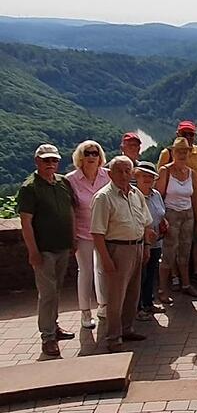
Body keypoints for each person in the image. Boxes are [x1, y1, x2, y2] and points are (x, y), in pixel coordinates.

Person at [18, 144, 76, 357]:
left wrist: (73, 238)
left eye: (54, 160)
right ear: (37, 161)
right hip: (44, 250)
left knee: (56, 290)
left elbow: (70, 211)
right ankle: (48, 338)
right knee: (47, 294)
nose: (50, 164)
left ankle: (54, 326)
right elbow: (26, 222)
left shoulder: (62, 183)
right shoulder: (29, 188)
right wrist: (32, 251)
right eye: (46, 160)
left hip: (62, 246)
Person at [91, 156, 154, 353]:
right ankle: (113, 337)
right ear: (110, 173)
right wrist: (106, 259)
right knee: (116, 296)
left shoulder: (136, 194)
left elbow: (145, 223)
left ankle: (127, 329)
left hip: (136, 246)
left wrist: (146, 247)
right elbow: (97, 232)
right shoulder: (104, 197)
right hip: (117, 249)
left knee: (133, 293)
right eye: (120, 171)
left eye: (128, 171)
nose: (125, 175)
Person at [157, 121, 197, 287]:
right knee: (170, 246)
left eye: (191, 134)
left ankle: (192, 277)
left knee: (193, 243)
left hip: (194, 206)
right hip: (171, 209)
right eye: (184, 134)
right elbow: (158, 189)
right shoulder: (166, 160)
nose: (188, 137)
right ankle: (171, 280)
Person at [65, 140, 110, 329]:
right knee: (85, 271)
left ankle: (103, 306)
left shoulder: (107, 176)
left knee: (103, 269)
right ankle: (85, 312)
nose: (91, 157)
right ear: (80, 157)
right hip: (82, 232)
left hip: (104, 232)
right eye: (88, 153)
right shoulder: (70, 180)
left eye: (95, 153)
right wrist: (71, 236)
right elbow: (69, 210)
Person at [156, 137, 197, 303]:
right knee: (168, 253)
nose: (182, 154)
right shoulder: (165, 171)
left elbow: (195, 198)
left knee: (185, 251)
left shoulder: (191, 173)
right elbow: (157, 196)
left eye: (185, 151)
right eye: (179, 151)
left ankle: (186, 284)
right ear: (172, 153)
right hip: (171, 214)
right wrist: (161, 219)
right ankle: (162, 289)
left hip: (187, 214)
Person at [134, 162, 167, 321]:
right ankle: (137, 307)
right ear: (137, 177)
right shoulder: (133, 195)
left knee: (151, 273)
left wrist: (163, 222)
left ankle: (148, 302)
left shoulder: (156, 194)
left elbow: (160, 213)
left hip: (156, 242)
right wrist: (145, 232)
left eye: (151, 176)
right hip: (140, 243)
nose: (148, 179)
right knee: (140, 275)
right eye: (144, 176)